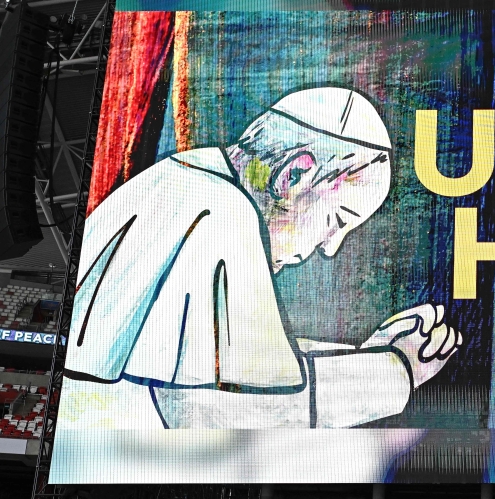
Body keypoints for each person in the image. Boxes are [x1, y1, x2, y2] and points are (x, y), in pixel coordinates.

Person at [60, 86, 462, 436]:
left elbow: (243, 361)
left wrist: (366, 354)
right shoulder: (221, 214)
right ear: (293, 176)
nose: (330, 246)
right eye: (337, 221)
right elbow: (216, 412)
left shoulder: (183, 180)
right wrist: (395, 372)